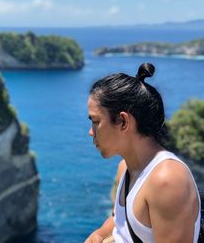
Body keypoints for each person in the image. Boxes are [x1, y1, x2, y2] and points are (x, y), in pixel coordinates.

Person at [84, 63, 201, 243]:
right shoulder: (125, 168)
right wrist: (100, 234)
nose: (91, 132)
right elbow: (122, 219)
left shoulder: (167, 180)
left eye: (95, 121)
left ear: (123, 121)